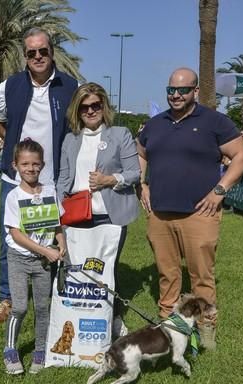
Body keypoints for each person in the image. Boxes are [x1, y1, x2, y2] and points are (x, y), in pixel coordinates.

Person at [137, 67, 243, 350]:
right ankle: (167, 326)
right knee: (167, 274)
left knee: (201, 276)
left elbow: (241, 156)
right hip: (160, 214)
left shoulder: (215, 122)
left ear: (195, 91)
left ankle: (206, 330)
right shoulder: (155, 124)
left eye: (183, 90)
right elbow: (139, 154)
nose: (176, 95)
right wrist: (142, 185)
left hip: (200, 214)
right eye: (171, 90)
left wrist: (219, 191)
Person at [0, 27, 78, 324]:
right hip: (14, 179)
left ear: (52, 52)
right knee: (9, 239)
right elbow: (1, 125)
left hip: (52, 179)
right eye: (32, 53)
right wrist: (19, 157)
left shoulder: (70, 86)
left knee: (53, 239)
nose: (38, 56)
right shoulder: (8, 87)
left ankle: (51, 295)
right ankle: (7, 297)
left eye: (43, 51)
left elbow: (75, 129)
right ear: (25, 56)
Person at [57, 82, 140, 339]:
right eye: (84, 107)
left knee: (107, 270)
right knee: (76, 268)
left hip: (111, 215)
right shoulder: (70, 139)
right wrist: (57, 210)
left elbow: (135, 173)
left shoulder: (120, 134)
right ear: (77, 110)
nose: (91, 111)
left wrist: (109, 180)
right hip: (77, 215)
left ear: (104, 106)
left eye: (96, 105)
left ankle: (112, 319)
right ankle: (72, 318)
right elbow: (63, 178)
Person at [2, 139, 65, 375]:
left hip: (44, 263)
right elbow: (16, 234)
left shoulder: (50, 191)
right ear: (15, 165)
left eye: (35, 164)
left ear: (43, 165)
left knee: (42, 307)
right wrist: (46, 250)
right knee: (19, 307)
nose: (31, 168)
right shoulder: (14, 196)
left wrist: (61, 242)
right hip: (20, 258)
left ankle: (40, 351)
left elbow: (57, 224)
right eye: (25, 164)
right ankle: (10, 350)